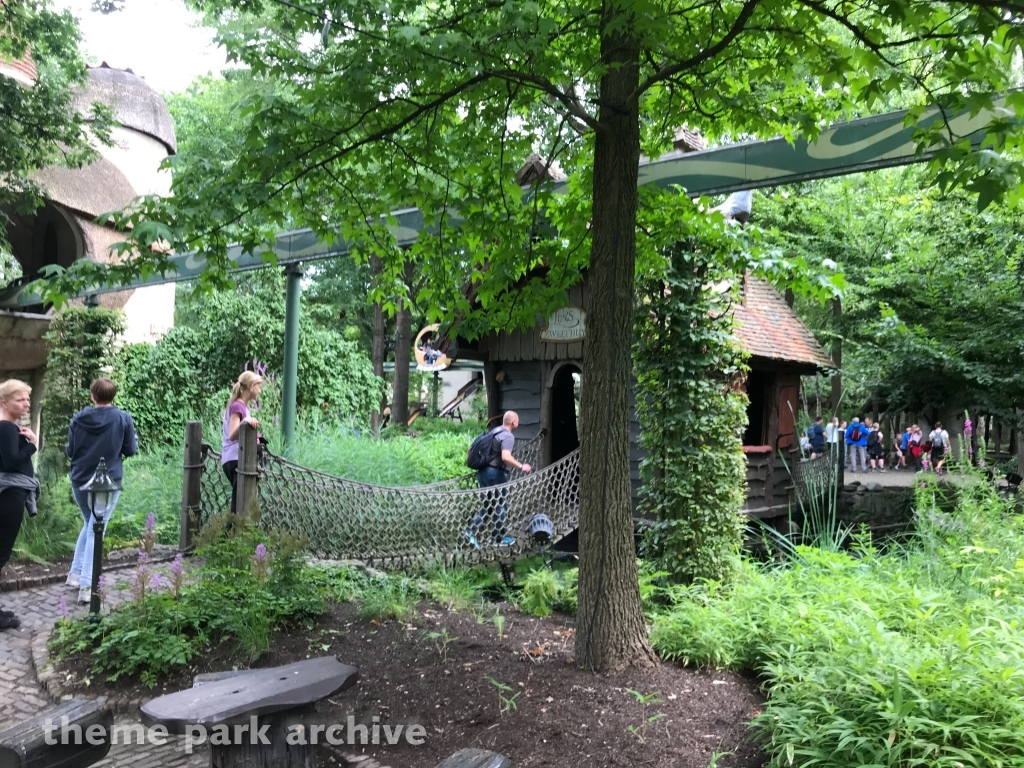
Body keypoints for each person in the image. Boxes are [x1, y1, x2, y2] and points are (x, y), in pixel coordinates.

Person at [66, 378, 138, 604]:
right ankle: (87, 586)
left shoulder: (78, 418)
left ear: (92, 396)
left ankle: (75, 574)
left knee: (90, 524)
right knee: (96, 529)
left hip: (80, 478)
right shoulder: (123, 418)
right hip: (107, 482)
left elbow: (70, 451)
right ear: (113, 396)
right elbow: (130, 450)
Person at [0, 380, 39, 629]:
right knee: (1, 553)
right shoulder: (6, 427)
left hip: (9, 494)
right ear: (4, 402)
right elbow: (12, 463)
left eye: (27, 399)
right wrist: (33, 445)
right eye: (20, 399)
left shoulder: (10, 427)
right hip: (9, 495)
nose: (26, 404)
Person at [466, 410, 532, 548]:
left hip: (483, 472)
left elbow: (470, 449)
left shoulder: (494, 431)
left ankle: (469, 533)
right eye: (518, 420)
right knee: (501, 505)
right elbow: (505, 457)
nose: (518, 422)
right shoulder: (508, 436)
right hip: (495, 474)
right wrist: (521, 466)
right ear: (513, 422)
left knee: (487, 506)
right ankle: (498, 538)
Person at [222, 371, 262, 514]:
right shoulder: (238, 407)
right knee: (239, 505)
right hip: (235, 459)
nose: (260, 391)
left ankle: (235, 526)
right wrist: (245, 421)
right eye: (259, 386)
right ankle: (233, 527)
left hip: (237, 459)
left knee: (241, 502)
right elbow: (232, 434)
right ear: (251, 386)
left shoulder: (243, 407)